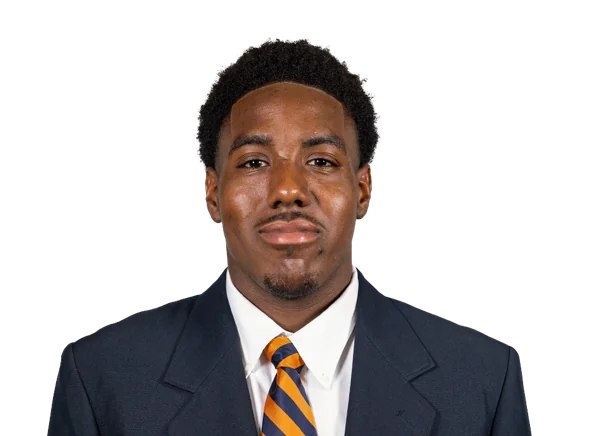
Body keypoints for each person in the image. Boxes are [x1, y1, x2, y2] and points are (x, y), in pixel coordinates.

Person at [49, 39, 531, 435]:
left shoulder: (482, 382)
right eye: (254, 162)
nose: (287, 190)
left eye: (321, 161)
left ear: (363, 191)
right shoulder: (103, 379)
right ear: (212, 194)